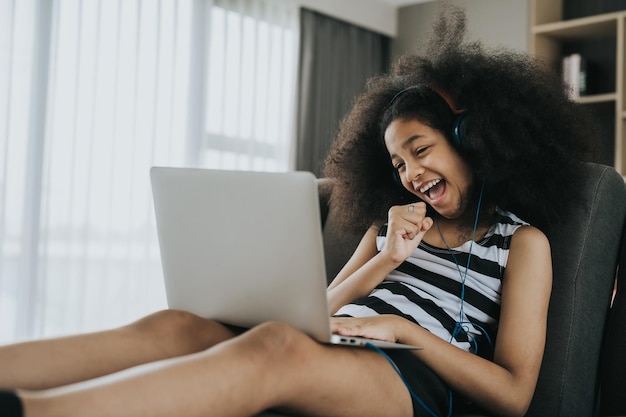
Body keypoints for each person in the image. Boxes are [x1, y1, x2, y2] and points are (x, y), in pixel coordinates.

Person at [0, 3, 595, 417]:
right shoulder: (393, 225)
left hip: (407, 380)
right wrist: (385, 259)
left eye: (420, 151)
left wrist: (401, 329)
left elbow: (516, 396)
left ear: (473, 140)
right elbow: (322, 310)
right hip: (339, 343)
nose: (410, 174)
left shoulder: (522, 244)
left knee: (275, 350)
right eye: (397, 165)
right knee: (177, 324)